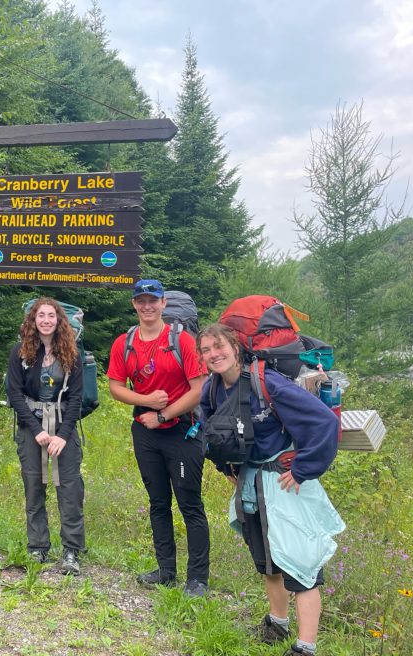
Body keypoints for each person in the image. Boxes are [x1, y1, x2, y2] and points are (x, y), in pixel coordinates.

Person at [197, 323, 343, 656]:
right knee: (268, 562)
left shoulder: (268, 383)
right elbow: (211, 433)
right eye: (205, 350)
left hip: (284, 483)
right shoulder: (212, 389)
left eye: (218, 347)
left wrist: (304, 469)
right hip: (252, 484)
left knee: (302, 565)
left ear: (236, 347)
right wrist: (227, 468)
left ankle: (305, 647)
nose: (212, 355)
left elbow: (324, 423)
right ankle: (277, 625)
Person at [107, 278, 211, 596]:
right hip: (145, 432)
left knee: (190, 504)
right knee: (158, 503)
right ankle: (166, 571)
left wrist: (163, 414)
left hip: (183, 432)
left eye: (153, 300)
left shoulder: (183, 341)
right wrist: (146, 402)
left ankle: (197, 579)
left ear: (164, 303)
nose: (147, 306)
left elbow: (200, 389)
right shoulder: (124, 343)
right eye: (141, 300)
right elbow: (116, 386)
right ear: (135, 304)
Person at [5, 297, 85, 574]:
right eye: (41, 315)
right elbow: (14, 393)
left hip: (64, 427)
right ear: (33, 320)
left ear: (59, 320)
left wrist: (63, 435)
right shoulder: (20, 352)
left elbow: (76, 398)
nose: (46, 320)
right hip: (31, 427)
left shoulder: (71, 354)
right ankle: (37, 546)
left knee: (70, 489)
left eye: (51, 315)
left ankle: (71, 550)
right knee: (33, 486)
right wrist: (37, 430)